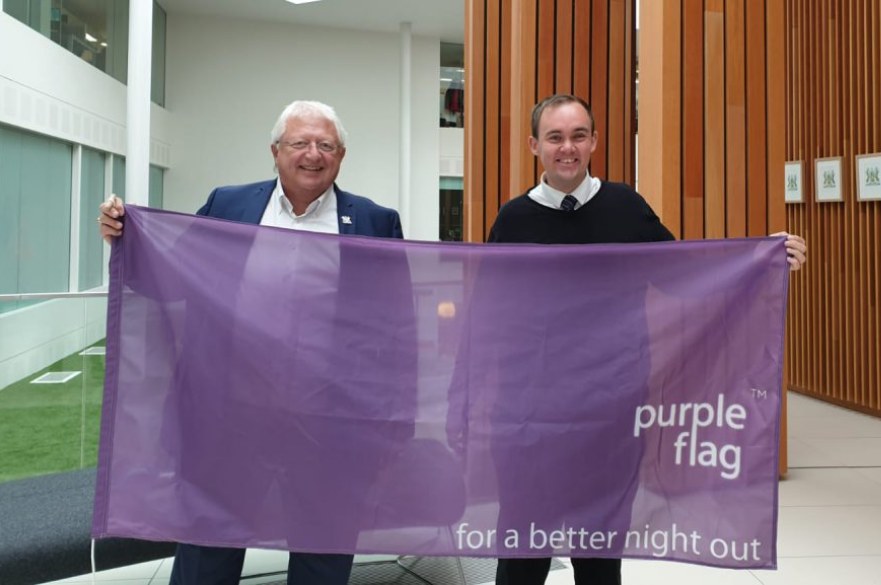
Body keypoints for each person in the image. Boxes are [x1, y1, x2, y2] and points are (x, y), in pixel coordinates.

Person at [488, 94, 806, 585]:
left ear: (594, 141)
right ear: (534, 145)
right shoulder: (512, 220)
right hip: (531, 415)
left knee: (600, 551)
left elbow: (683, 275)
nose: (567, 148)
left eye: (577, 136)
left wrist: (765, 261)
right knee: (523, 550)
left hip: (610, 410)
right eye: (554, 137)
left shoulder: (626, 207)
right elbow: (493, 312)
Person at [98, 100, 404, 585]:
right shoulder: (229, 205)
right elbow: (169, 277)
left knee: (322, 559)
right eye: (299, 142)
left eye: (326, 145)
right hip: (229, 416)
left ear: (341, 155)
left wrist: (392, 423)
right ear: (275, 151)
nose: (312, 154)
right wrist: (126, 240)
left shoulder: (374, 221)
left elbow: (395, 330)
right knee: (206, 557)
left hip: (331, 423)